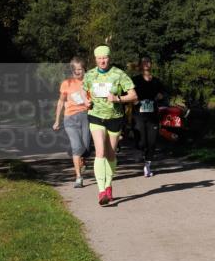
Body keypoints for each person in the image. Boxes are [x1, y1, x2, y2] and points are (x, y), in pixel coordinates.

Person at [82, 45, 137, 206]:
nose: (102, 61)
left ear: (109, 58)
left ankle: (108, 186)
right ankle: (101, 191)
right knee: (100, 151)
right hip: (96, 116)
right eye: (99, 58)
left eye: (104, 58)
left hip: (115, 117)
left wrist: (118, 99)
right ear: (95, 59)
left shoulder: (119, 74)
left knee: (111, 154)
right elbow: (82, 89)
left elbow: (133, 95)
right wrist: (85, 100)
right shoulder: (90, 75)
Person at [52, 57, 92, 188]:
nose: (78, 72)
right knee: (76, 146)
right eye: (75, 70)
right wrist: (57, 120)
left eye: (80, 69)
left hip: (86, 116)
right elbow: (61, 102)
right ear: (72, 70)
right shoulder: (66, 83)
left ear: (84, 69)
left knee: (86, 147)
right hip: (70, 118)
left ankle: (83, 159)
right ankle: (78, 178)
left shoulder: (89, 82)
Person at [132, 56, 166, 177]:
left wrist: (160, 96)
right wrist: (134, 100)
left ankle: (147, 165)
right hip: (139, 114)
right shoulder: (135, 80)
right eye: (144, 62)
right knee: (142, 140)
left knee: (152, 141)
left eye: (148, 62)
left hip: (153, 114)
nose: (146, 64)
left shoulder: (156, 81)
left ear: (151, 64)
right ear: (140, 65)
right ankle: (139, 150)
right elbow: (127, 92)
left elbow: (164, 92)